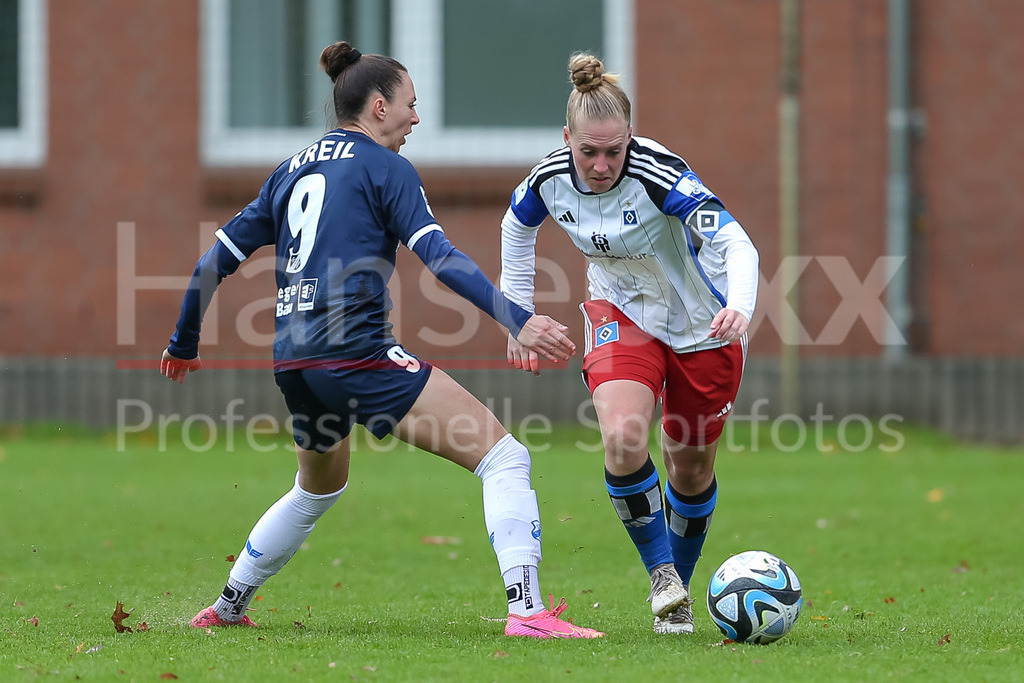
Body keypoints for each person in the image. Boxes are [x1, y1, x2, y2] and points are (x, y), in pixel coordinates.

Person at [160, 41, 602, 640]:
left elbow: (211, 262)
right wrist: (514, 316)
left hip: (294, 361)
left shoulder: (290, 170)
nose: (416, 119)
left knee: (317, 487)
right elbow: (440, 259)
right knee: (505, 457)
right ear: (376, 106)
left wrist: (185, 341)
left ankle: (228, 605)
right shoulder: (386, 167)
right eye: (411, 105)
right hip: (356, 355)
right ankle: (527, 613)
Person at [499, 53, 759, 634]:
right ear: (566, 138)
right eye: (587, 151)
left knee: (689, 468)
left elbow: (738, 242)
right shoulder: (547, 179)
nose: (599, 164)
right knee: (621, 436)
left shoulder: (661, 174)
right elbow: (516, 229)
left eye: (613, 151)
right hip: (622, 313)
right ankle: (662, 576)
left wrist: (740, 303)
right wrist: (517, 316)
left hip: (703, 325)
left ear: (630, 139)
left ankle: (681, 597)